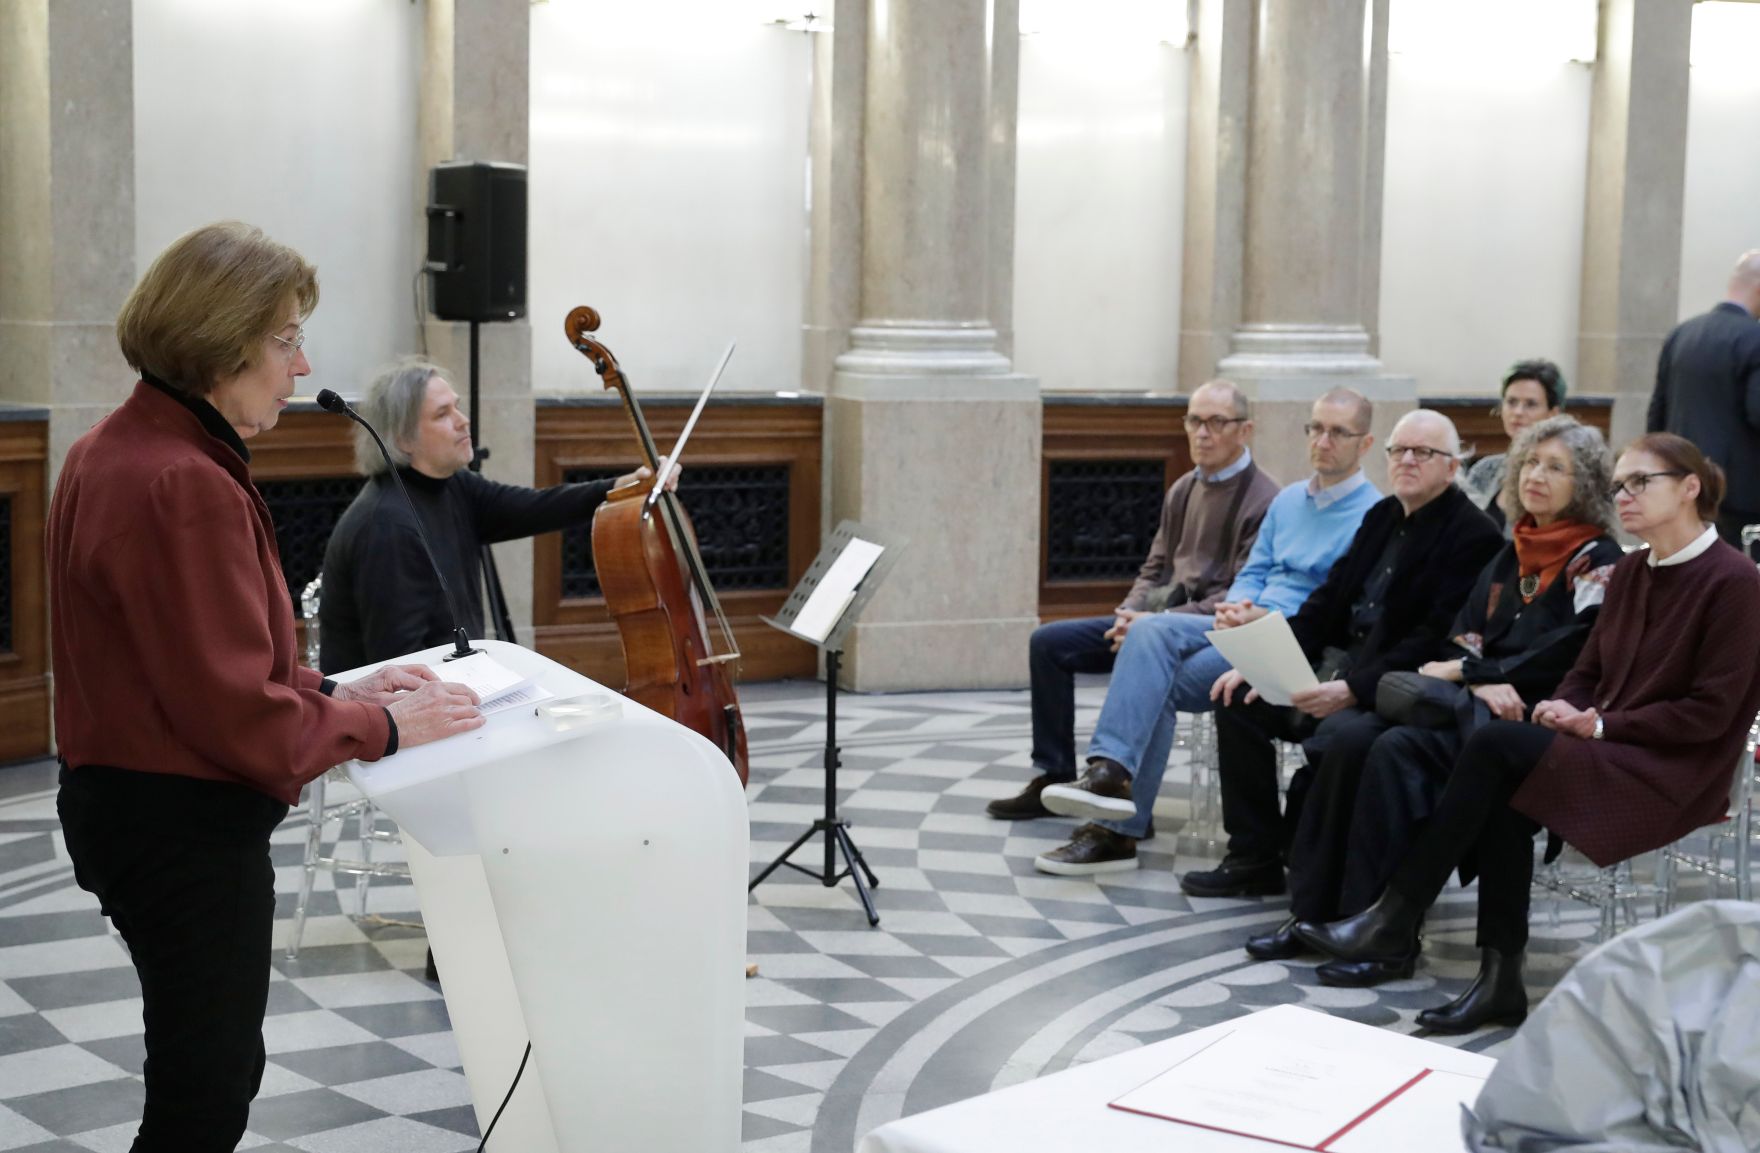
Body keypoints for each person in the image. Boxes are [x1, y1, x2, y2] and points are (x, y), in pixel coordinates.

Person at [49, 222, 484, 1152]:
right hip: (180, 827)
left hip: (123, 803)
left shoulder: (112, 447)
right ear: (223, 341)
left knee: (205, 1073)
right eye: (285, 339)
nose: (300, 364)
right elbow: (234, 714)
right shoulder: (182, 481)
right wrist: (386, 726)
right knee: (205, 1093)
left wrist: (338, 683)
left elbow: (181, 658)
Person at [1297, 434, 1760, 1033]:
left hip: (1672, 771)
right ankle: (1496, 980)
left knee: (1494, 747)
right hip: (1609, 746)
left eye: (1640, 482)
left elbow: (1711, 713)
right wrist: (1561, 708)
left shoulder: (1736, 582)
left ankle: (1397, 913)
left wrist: (1596, 723)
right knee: (1505, 783)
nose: (1624, 496)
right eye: (1619, 485)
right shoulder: (1634, 571)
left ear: (1690, 487)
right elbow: (1586, 670)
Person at [1265, 416, 1622, 985]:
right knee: (1350, 742)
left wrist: (1475, 670)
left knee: (1390, 750)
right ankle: (1314, 910)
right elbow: (1463, 633)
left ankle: (1383, 935)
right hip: (1473, 703)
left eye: (1557, 468)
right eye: (1530, 462)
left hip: (1528, 719)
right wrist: (1477, 673)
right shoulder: (1515, 549)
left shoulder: (1596, 558)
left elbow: (1577, 647)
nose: (1536, 475)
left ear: (1587, 483)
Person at [1032, 388, 1380, 875]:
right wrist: (1238, 607)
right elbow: (1254, 572)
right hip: (1242, 625)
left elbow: (1340, 608)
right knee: (1149, 641)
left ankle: (1116, 821)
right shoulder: (1287, 502)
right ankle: (1110, 782)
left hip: (1296, 645)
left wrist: (1262, 620)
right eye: (1316, 428)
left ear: (1364, 444)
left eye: (1338, 432)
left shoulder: (1373, 514)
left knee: (1151, 661)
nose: (1323, 441)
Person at [1179, 410, 1503, 905]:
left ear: (1453, 467)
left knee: (1339, 738)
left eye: (1424, 453)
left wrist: (1352, 689)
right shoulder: (1382, 515)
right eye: (1399, 451)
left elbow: (1431, 637)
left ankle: (1312, 872)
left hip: (1394, 682)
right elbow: (1326, 604)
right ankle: (1255, 857)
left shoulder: (1472, 534)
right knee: (1239, 699)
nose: (1408, 461)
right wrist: (1263, 661)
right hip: (1338, 662)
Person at [987, 380, 1281, 821]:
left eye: (1217, 422)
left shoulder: (1263, 498)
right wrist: (1129, 614)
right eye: (1194, 421)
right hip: (1156, 619)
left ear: (1245, 430)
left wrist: (1149, 622)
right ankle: (1054, 773)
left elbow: (1237, 595)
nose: (1202, 433)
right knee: (1049, 643)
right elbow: (1154, 569)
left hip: (1205, 631)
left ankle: (1119, 814)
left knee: (1151, 648)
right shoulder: (1183, 488)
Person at [319, 357, 668, 673]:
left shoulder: (453, 485)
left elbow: (538, 508)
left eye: (457, 408)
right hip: (398, 718)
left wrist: (626, 486)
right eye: (443, 415)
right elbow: (398, 660)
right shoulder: (386, 526)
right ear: (403, 439)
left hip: (451, 687)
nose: (463, 421)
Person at [1647, 249, 1760, 546]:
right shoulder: (1755, 339)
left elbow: (1656, 416)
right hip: (1740, 500)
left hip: (1680, 491)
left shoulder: (1681, 334)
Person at [1460, 359, 1566, 534]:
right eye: (1511, 402)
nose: (1518, 412)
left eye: (1530, 404)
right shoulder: (1485, 470)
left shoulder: (1561, 475)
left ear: (1553, 413)